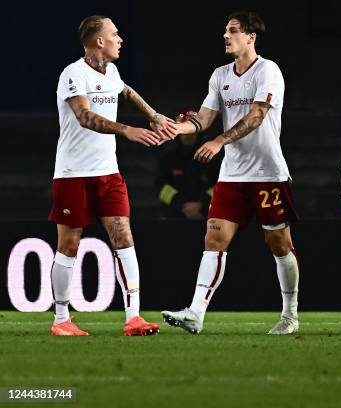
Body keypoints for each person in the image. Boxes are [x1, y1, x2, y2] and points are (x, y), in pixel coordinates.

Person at [161, 11, 300, 335]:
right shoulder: (220, 75)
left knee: (279, 243)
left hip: (267, 174)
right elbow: (204, 118)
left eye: (233, 30)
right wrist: (175, 128)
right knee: (214, 238)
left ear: (251, 36)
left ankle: (290, 315)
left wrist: (220, 140)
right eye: (225, 30)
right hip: (233, 176)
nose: (226, 35)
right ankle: (195, 314)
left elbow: (257, 116)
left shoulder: (268, 71)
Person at [49, 15, 176, 336]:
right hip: (73, 174)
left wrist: (153, 115)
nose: (121, 39)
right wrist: (127, 130)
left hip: (109, 174)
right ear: (99, 41)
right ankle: (61, 320)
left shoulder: (112, 71)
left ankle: (133, 318)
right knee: (68, 245)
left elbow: (126, 92)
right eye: (115, 34)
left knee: (125, 239)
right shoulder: (73, 74)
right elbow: (84, 116)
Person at [155, 111, 220, 220]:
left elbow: (220, 185)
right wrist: (182, 205)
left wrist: (201, 205)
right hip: (175, 217)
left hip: (206, 216)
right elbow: (161, 187)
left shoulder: (212, 155)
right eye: (184, 127)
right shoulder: (168, 156)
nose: (187, 132)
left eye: (191, 128)